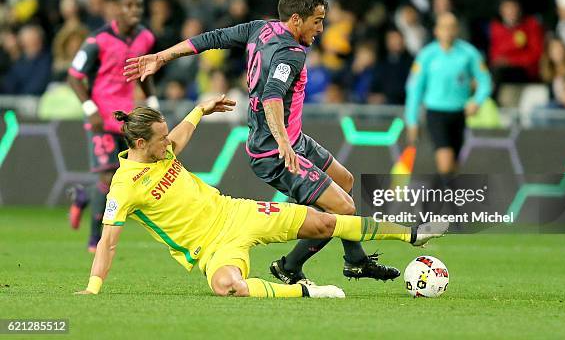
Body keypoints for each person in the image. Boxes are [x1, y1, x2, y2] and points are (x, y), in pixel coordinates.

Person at [124, 0, 400, 284]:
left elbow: (212, 38)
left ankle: (354, 260)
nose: (320, 29)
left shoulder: (260, 28)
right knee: (343, 208)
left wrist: (163, 56)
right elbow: (272, 95)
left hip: (291, 138)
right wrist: (283, 143)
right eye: (317, 21)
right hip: (274, 149)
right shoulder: (292, 52)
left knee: (345, 181)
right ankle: (291, 266)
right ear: (297, 19)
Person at [75, 101, 448, 297]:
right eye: (160, 139)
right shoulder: (123, 187)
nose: (167, 142)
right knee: (226, 286)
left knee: (324, 222)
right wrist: (93, 289)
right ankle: (302, 291)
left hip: (237, 213)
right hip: (210, 250)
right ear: (140, 145)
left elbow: (180, 135)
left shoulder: (163, 150)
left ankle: (410, 233)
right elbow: (108, 242)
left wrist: (201, 110)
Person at [67, 0, 158, 252]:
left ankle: (83, 195)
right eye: (128, 5)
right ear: (116, 9)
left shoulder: (145, 38)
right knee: (107, 176)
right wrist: (89, 109)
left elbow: (146, 72)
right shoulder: (98, 40)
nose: (134, 10)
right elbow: (74, 76)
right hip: (102, 119)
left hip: (130, 118)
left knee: (124, 175)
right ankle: (95, 239)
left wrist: (152, 102)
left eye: (138, 6)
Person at [405, 12, 491, 206]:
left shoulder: (468, 53)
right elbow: (414, 89)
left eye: (452, 27)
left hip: (459, 115)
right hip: (436, 113)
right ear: (436, 30)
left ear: (457, 29)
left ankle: (427, 206)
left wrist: (476, 100)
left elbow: (485, 81)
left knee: (452, 167)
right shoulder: (427, 55)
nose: (448, 31)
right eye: (444, 27)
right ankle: (456, 216)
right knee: (445, 162)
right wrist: (411, 120)